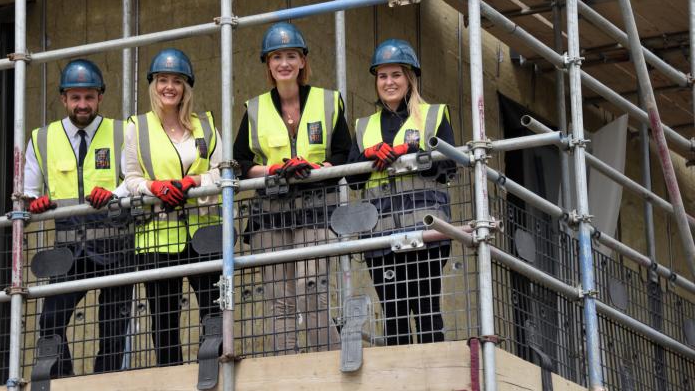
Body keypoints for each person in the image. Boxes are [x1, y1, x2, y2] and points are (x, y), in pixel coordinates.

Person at [233, 22, 351, 355]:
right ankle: (286, 364)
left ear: (302, 61)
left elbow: (343, 152)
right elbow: (240, 162)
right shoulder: (255, 108)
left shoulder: (328, 102)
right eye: (276, 57)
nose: (284, 63)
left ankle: (329, 360)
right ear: (268, 65)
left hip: (316, 208)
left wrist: (317, 169)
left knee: (309, 289)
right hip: (271, 213)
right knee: (279, 299)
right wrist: (272, 170)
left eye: (291, 56)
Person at [24, 58, 133, 377]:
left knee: (114, 328)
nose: (82, 104)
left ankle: (105, 384)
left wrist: (115, 194)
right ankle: (64, 381)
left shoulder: (122, 132)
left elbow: (134, 179)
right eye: (75, 97)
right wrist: (36, 203)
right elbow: (28, 192)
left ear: (100, 97)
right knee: (51, 321)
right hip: (68, 250)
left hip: (115, 248)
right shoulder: (42, 138)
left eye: (89, 97)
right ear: (63, 99)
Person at [347, 39, 455, 345]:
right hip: (380, 237)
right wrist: (369, 156)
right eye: (382, 76)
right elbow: (353, 180)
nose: (389, 82)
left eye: (396, 75)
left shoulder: (434, 115)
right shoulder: (363, 125)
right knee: (393, 317)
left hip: (425, 232)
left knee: (426, 312)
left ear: (410, 77)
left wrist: (412, 152)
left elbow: (449, 167)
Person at [123, 48, 223, 367]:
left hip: (204, 232)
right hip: (157, 237)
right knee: (164, 317)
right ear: (153, 85)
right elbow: (131, 178)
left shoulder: (204, 125)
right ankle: (171, 376)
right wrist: (154, 187)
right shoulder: (137, 128)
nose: (169, 87)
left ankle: (210, 370)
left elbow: (223, 171)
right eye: (163, 80)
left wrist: (194, 182)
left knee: (213, 308)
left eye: (177, 81)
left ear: (186, 87)